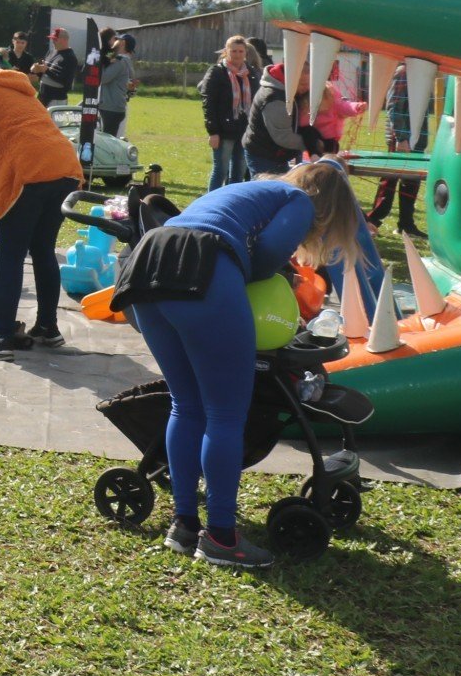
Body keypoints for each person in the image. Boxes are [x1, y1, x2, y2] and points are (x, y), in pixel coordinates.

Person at [115, 162, 363, 570]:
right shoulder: (298, 202)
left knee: (185, 404)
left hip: (147, 261)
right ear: (331, 208)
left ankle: (184, 525)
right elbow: (265, 260)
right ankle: (222, 538)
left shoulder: (247, 191)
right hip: (202, 265)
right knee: (225, 414)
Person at [0, 47, 83, 358]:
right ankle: (48, 328)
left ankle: (2, 336)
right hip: (65, 170)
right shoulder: (23, 91)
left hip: (27, 176)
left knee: (11, 256)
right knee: (43, 250)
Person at [365, 62, 425, 235]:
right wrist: (401, 137)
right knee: (390, 180)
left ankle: (406, 224)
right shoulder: (403, 73)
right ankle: (372, 220)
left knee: (412, 182)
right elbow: (394, 107)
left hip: (417, 140)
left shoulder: (422, 74)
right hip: (401, 140)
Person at [199, 36, 256, 192]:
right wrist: (213, 132)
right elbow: (208, 103)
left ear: (246, 52)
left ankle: (232, 204)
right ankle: (210, 204)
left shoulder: (250, 73)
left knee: (238, 173)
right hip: (223, 131)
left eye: (241, 51)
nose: (237, 55)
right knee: (221, 171)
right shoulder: (217, 72)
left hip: (244, 131)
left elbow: (257, 101)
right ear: (226, 51)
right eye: (234, 51)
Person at [243, 61, 317, 178]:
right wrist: (314, 144)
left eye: (309, 84)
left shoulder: (289, 90)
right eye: (302, 84)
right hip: (263, 153)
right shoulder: (275, 99)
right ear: (290, 79)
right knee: (267, 191)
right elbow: (283, 137)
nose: (306, 88)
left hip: (278, 154)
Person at [311, 62, 365, 154]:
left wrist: (356, 107)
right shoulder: (310, 105)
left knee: (328, 155)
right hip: (314, 139)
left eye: (326, 97)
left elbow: (346, 106)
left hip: (330, 140)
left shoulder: (335, 103)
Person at [97, 29, 136, 135]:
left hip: (111, 106)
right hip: (118, 104)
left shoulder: (120, 61)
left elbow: (103, 78)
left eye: (117, 40)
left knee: (109, 142)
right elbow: (133, 90)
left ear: (122, 44)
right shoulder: (124, 61)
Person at [35, 27, 80, 107]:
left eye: (55, 39)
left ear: (65, 40)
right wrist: (37, 70)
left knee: (53, 120)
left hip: (56, 100)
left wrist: (46, 71)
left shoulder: (70, 58)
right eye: (52, 39)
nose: (53, 41)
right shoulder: (51, 51)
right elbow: (44, 71)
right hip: (42, 96)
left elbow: (65, 82)